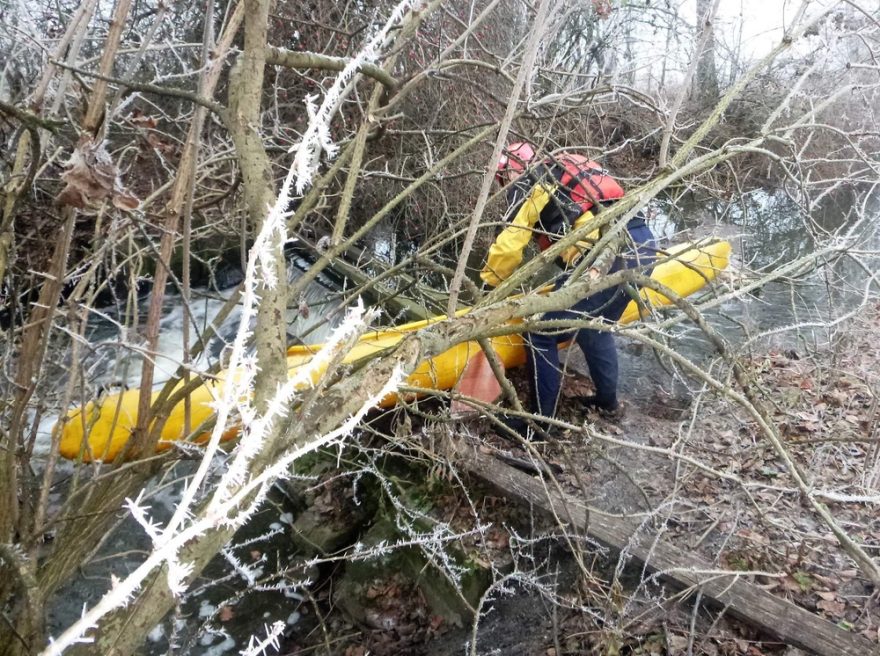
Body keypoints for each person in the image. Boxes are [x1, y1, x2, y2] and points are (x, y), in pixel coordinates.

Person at [480, 141, 657, 436]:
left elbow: (510, 244)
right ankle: (608, 404)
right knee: (595, 326)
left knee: (540, 328)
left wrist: (489, 288)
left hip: (606, 259)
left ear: (509, 171)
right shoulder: (563, 166)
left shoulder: (532, 183)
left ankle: (539, 425)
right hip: (643, 246)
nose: (505, 186)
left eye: (503, 179)